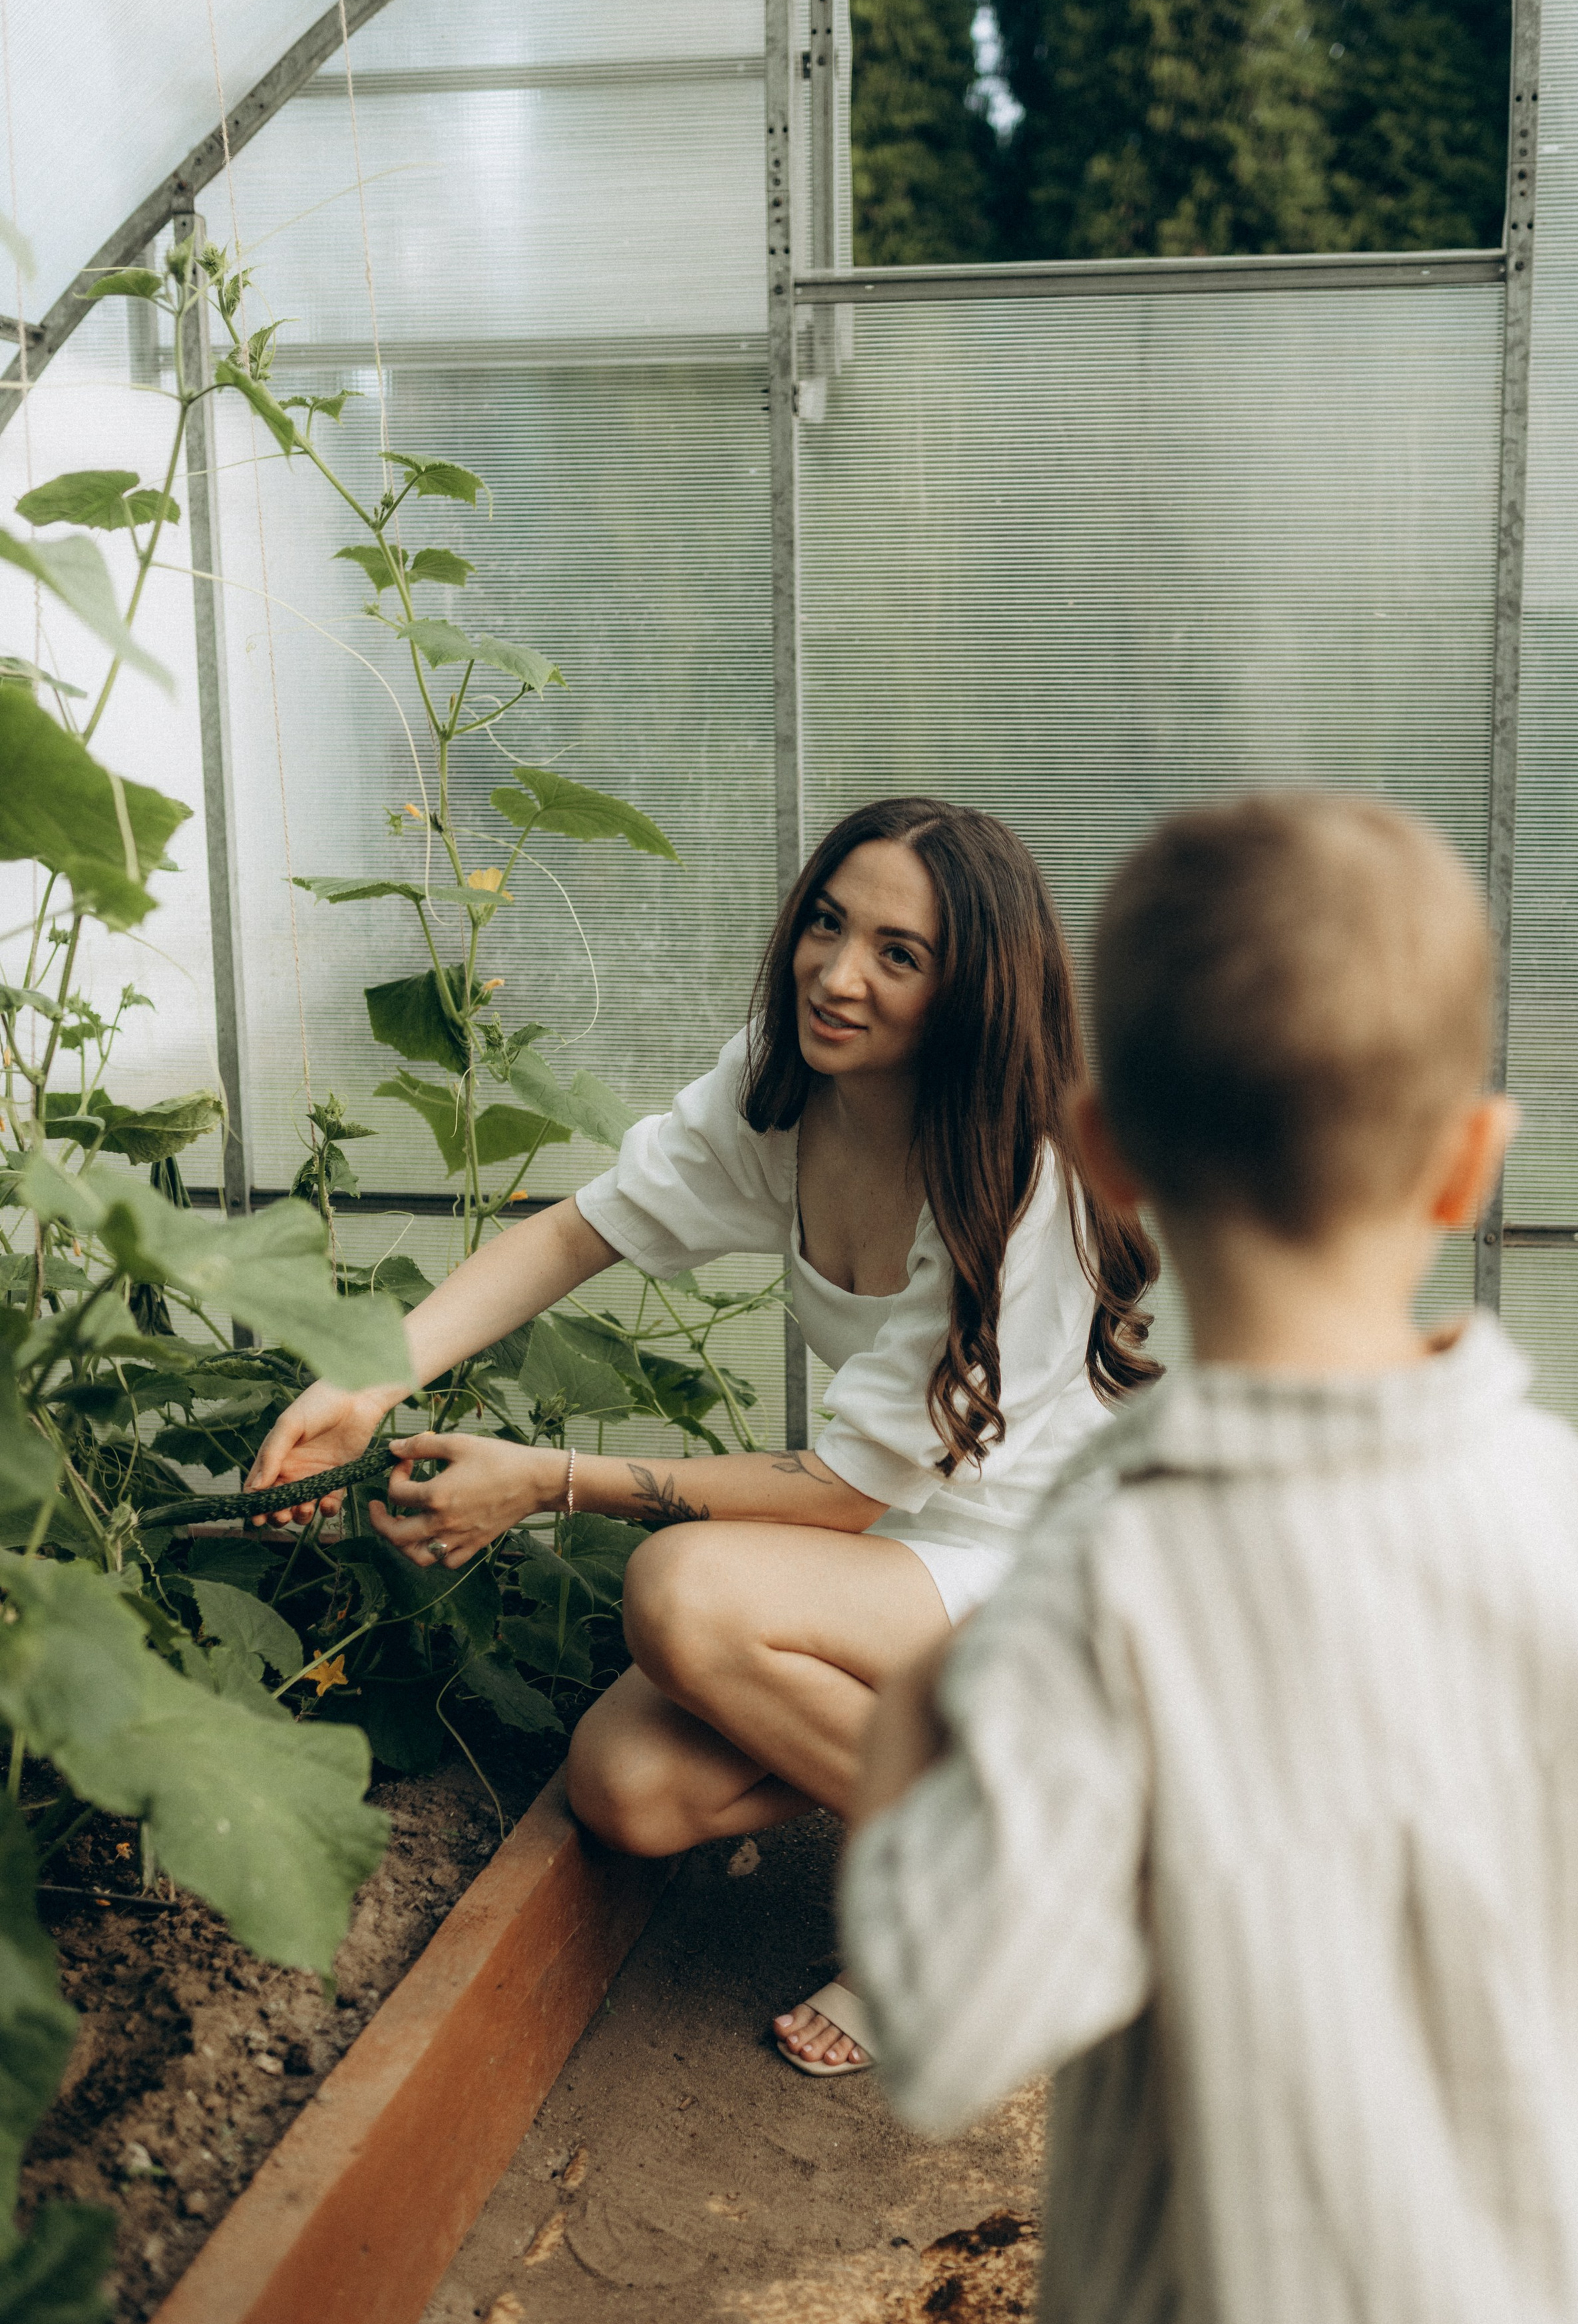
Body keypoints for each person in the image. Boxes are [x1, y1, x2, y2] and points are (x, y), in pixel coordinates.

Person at [841, 791, 1578, 2324]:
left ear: (1098, 1151)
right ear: (1469, 1163)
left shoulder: (1101, 1578)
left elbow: (949, 2031)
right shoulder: (1566, 1504)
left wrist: (913, 1710)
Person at [247, 795, 1159, 2074]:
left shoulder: (1029, 1180)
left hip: (1059, 1551)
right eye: (829, 925)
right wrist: (371, 1380)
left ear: (976, 990)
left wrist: (550, 1481)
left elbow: (841, 1493)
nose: (838, 976)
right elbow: (582, 1228)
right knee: (627, 1789)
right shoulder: (788, 1086)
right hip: (915, 1528)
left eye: (900, 954)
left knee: (684, 1589)